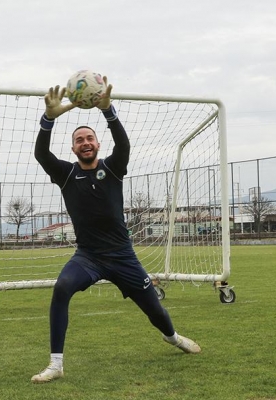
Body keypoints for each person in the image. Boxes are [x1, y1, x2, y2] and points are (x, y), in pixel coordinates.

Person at [31, 78, 201, 384]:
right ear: (73, 147)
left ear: (97, 144)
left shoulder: (112, 168)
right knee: (61, 289)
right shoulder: (66, 174)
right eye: (79, 139)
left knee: (155, 312)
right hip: (88, 257)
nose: (85, 142)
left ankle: (172, 337)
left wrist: (109, 112)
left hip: (123, 257)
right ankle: (56, 364)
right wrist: (48, 119)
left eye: (89, 138)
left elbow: (123, 145)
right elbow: (42, 155)